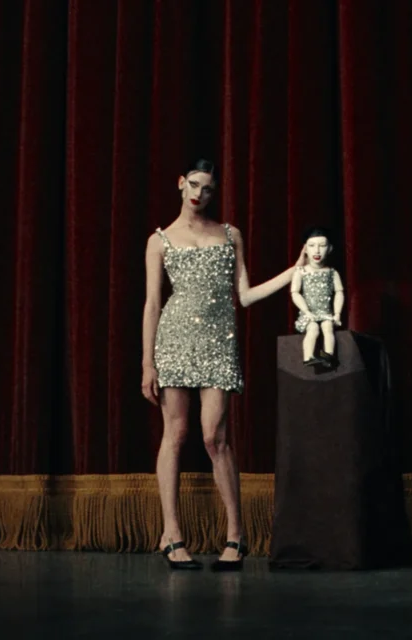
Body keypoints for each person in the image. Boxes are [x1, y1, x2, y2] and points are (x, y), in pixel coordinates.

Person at [141, 158, 303, 571]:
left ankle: (236, 535)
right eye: (194, 184)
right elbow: (153, 303)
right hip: (174, 339)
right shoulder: (160, 240)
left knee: (215, 437)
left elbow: (244, 296)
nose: (200, 193)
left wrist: (294, 271)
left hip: (218, 342)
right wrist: (147, 363)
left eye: (208, 188)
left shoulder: (230, 234)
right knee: (176, 434)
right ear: (181, 183)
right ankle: (171, 534)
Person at [290, 227, 345, 367]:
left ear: (330, 248)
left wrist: (337, 313)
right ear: (305, 249)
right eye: (312, 246)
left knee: (328, 327)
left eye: (322, 246)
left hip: (326, 313)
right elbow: (295, 293)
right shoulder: (301, 272)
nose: (317, 250)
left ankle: (328, 356)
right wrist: (306, 311)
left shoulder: (332, 273)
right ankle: (308, 357)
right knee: (313, 328)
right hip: (308, 314)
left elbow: (339, 292)